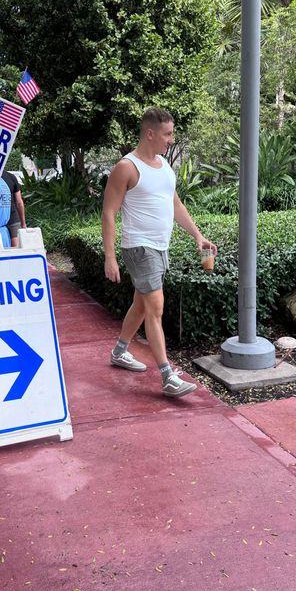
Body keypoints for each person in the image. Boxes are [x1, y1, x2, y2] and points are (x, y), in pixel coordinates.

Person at [101, 107, 217, 398]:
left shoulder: (164, 166)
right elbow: (109, 213)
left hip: (160, 247)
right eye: (167, 134)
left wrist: (198, 235)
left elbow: (175, 204)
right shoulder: (126, 168)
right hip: (139, 247)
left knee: (141, 306)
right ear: (150, 133)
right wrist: (110, 256)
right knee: (156, 308)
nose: (171, 139)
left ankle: (119, 351)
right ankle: (167, 376)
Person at [1, 170, 27, 247]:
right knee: (16, 248)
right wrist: (23, 223)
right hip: (13, 217)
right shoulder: (11, 177)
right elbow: (19, 202)